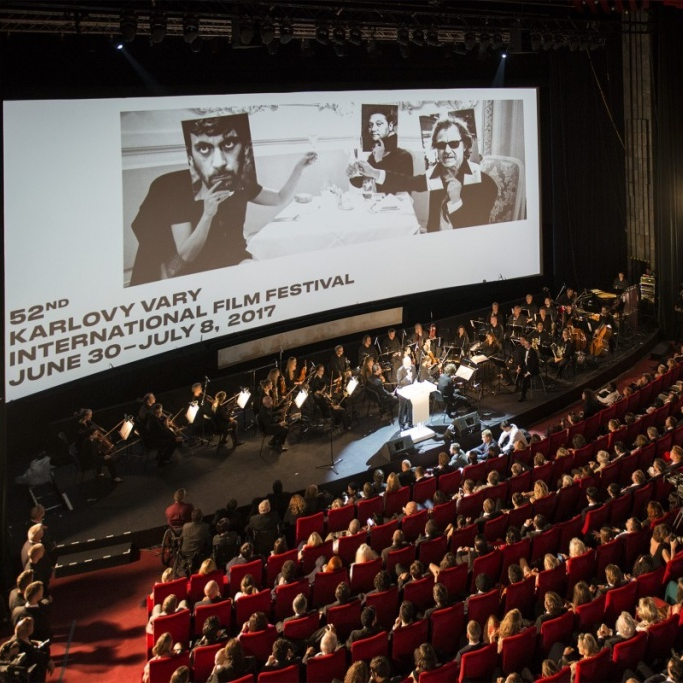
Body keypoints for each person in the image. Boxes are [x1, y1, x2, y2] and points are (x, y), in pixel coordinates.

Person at [130, 113, 317, 285]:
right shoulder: (179, 191)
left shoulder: (242, 184)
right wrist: (207, 214)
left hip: (234, 258)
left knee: (265, 278)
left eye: (228, 145)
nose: (219, 162)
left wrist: (298, 168)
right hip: (198, 267)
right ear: (191, 158)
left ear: (244, 150)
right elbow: (186, 255)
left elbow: (279, 198)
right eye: (204, 148)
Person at [356, 116, 498, 231]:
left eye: (454, 144)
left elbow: (475, 234)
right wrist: (373, 172)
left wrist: (456, 201)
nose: (447, 151)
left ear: (465, 145)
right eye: (441, 145)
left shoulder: (486, 185)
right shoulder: (437, 175)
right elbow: (406, 181)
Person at [350, 105, 414, 195]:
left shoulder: (405, 156)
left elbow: (391, 190)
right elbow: (360, 183)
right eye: (370, 125)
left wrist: (379, 161)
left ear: (390, 126)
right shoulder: (373, 156)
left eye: (379, 124)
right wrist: (354, 173)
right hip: (380, 202)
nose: (373, 129)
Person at [396, 355, 416, 429]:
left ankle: (410, 422)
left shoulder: (413, 367)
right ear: (404, 363)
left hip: (411, 390)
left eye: (410, 362)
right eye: (408, 363)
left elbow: (415, 377)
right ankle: (401, 425)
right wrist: (407, 377)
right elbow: (399, 382)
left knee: (410, 407)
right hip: (403, 392)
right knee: (402, 409)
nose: (409, 363)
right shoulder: (400, 370)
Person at [517, 336, 539, 402]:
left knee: (525, 378)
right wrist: (519, 367)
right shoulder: (525, 350)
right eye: (525, 344)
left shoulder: (533, 353)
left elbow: (534, 365)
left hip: (533, 370)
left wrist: (528, 373)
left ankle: (523, 396)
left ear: (530, 345)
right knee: (519, 373)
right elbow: (523, 361)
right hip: (527, 367)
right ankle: (520, 388)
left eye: (526, 344)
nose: (524, 345)